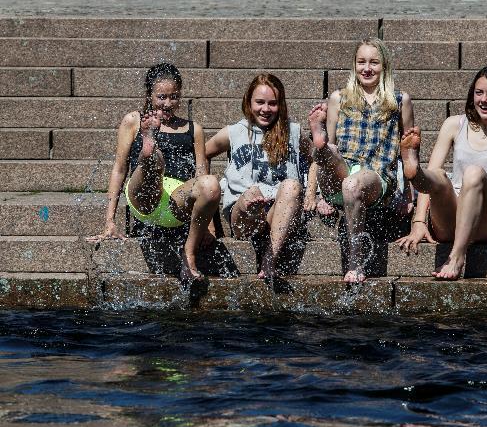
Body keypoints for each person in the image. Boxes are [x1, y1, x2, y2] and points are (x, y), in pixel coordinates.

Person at [398, 66, 487, 280]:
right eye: (479, 93)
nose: (484, 99)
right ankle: (415, 171)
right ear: (472, 94)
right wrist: (419, 222)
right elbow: (435, 174)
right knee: (438, 175)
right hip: (450, 217)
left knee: (473, 173)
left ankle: (456, 256)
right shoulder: (453, 125)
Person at [87, 63, 221, 285]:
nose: (168, 103)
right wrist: (109, 221)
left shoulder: (193, 128)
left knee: (210, 183)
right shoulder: (132, 120)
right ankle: (149, 148)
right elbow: (119, 169)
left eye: (174, 97)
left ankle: (189, 254)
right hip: (143, 197)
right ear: (149, 95)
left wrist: (209, 227)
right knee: (154, 159)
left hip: (177, 202)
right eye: (161, 97)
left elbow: (200, 173)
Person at [308, 38, 414, 284]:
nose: (367, 68)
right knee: (328, 149)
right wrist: (313, 195)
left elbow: (407, 151)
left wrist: (408, 196)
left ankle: (355, 262)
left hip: (375, 177)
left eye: (374, 63)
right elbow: (330, 152)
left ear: (384, 66)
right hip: (339, 172)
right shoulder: (338, 98)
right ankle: (317, 137)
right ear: (354, 65)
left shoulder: (399, 101)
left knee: (352, 184)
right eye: (361, 62)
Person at [205, 73, 315, 279]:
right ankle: (254, 208)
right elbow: (203, 153)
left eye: (272, 103)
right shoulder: (234, 132)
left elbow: (315, 159)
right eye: (260, 102)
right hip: (244, 214)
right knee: (252, 193)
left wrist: (311, 194)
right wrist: (209, 217)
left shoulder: (293, 132)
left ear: (280, 105)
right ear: (249, 102)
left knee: (291, 185)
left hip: (279, 211)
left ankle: (270, 259)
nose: (265, 109)